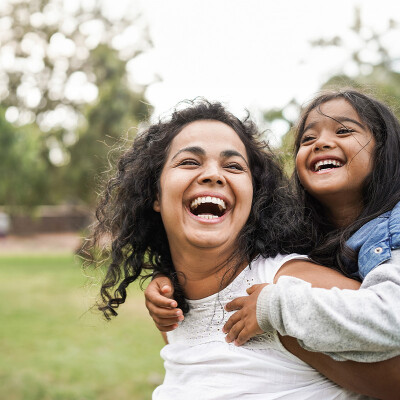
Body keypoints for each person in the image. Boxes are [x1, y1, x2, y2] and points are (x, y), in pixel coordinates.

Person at [88, 100, 375, 399]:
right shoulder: (172, 307)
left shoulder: (288, 289)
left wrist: (279, 315)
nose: (213, 175)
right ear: (155, 194)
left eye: (233, 166)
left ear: (254, 197)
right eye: (189, 162)